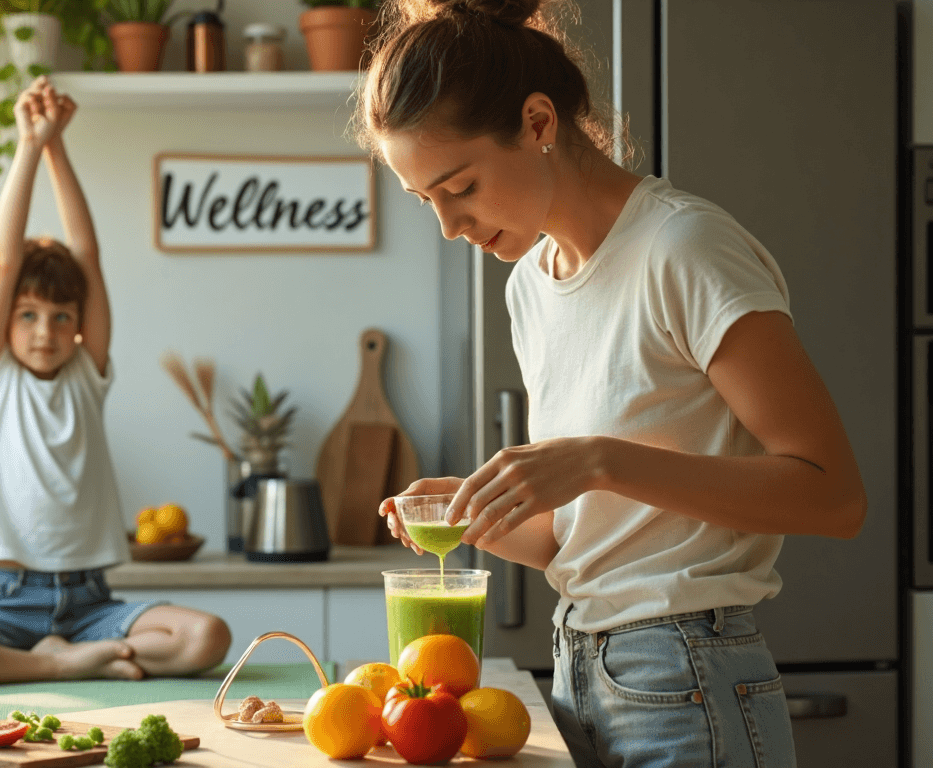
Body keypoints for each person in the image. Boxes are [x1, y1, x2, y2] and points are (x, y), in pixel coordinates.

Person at [363, 1, 866, 765]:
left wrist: (599, 460)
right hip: (580, 668)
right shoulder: (530, 284)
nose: (450, 226)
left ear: (538, 123)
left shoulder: (682, 249)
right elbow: (591, 541)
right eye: (425, 199)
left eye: (459, 186)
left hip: (689, 675)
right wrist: (477, 515)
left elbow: (833, 496)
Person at [0, 77, 231, 685]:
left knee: (206, 638)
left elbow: (87, 257)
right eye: (28, 315)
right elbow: (1, 263)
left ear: (77, 324)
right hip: (5, 598)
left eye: (61, 316)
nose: (45, 331)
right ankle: (55, 664)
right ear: (8, 320)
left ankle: (51, 660)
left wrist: (58, 147)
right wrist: (27, 145)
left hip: (93, 601)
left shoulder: (86, 375)